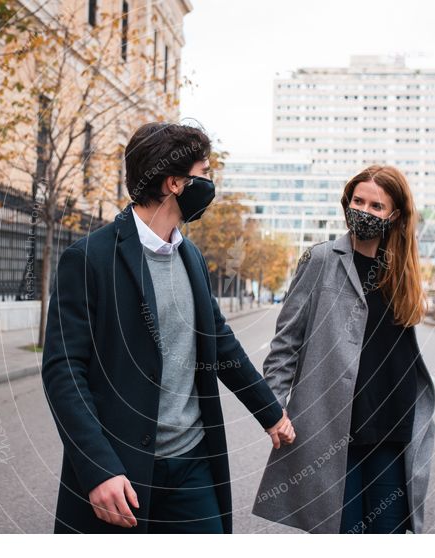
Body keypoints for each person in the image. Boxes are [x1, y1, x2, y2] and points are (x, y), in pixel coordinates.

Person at [42, 121, 295, 534]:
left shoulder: (190, 256)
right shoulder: (89, 258)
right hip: (121, 473)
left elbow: (221, 345)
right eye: (205, 172)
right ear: (175, 183)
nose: (211, 183)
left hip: (192, 464)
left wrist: (270, 413)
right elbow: (64, 373)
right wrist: (97, 469)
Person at [251, 165, 435, 534]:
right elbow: (286, 342)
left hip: (393, 430)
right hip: (335, 431)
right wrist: (274, 407)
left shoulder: (401, 270)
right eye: (358, 201)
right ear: (347, 203)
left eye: (376, 206)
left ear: (394, 215)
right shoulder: (320, 259)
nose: (364, 212)